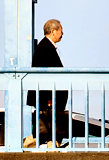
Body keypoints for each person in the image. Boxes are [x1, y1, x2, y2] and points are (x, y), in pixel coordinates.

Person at [26, 19, 69, 147]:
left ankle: (38, 141)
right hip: (48, 98)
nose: (62, 33)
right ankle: (38, 142)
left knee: (45, 127)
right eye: (61, 30)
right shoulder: (46, 48)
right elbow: (47, 75)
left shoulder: (44, 46)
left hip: (47, 98)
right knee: (49, 126)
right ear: (53, 31)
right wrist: (50, 98)